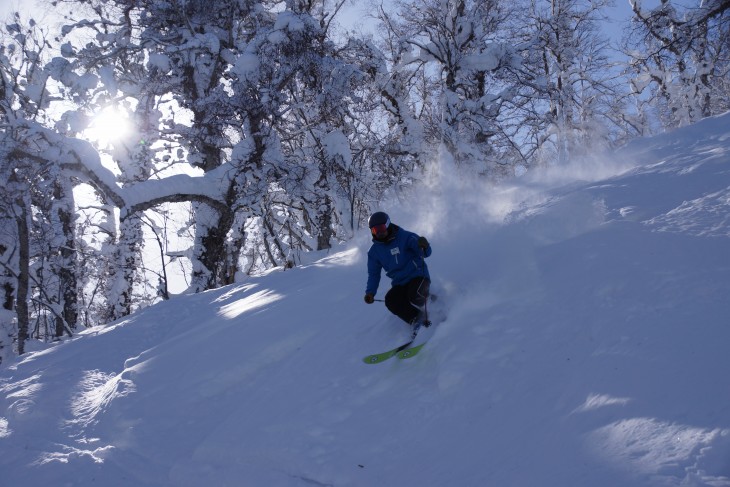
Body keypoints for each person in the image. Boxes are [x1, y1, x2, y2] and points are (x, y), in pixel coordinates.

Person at [364, 211, 432, 329]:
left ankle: (438, 305)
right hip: (400, 282)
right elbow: (373, 274)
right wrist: (370, 292)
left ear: (388, 224)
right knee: (391, 300)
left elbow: (425, 253)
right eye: (375, 230)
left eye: (381, 228)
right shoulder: (374, 252)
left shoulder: (405, 237)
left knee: (415, 294)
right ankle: (418, 320)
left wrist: (425, 246)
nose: (379, 233)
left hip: (418, 276)